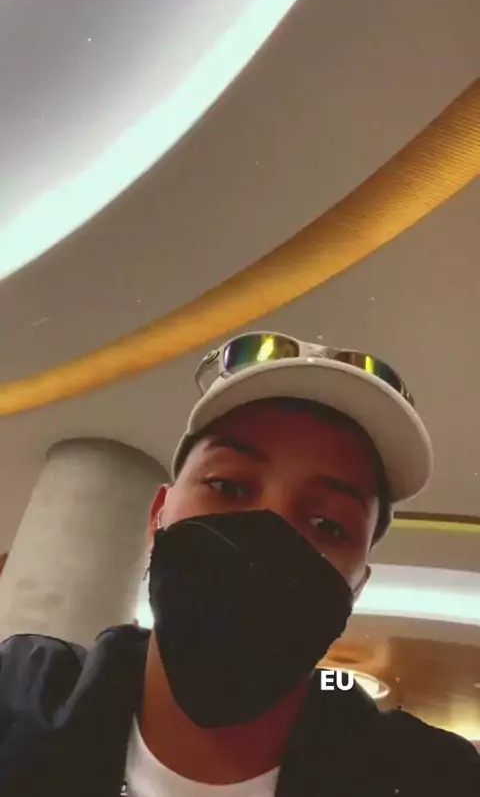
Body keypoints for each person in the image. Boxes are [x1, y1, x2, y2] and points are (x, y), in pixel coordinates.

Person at [0, 331, 478, 797]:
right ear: (157, 516)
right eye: (228, 487)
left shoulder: (435, 779)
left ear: (355, 587)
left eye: (328, 524)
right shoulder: (14, 704)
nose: (269, 534)